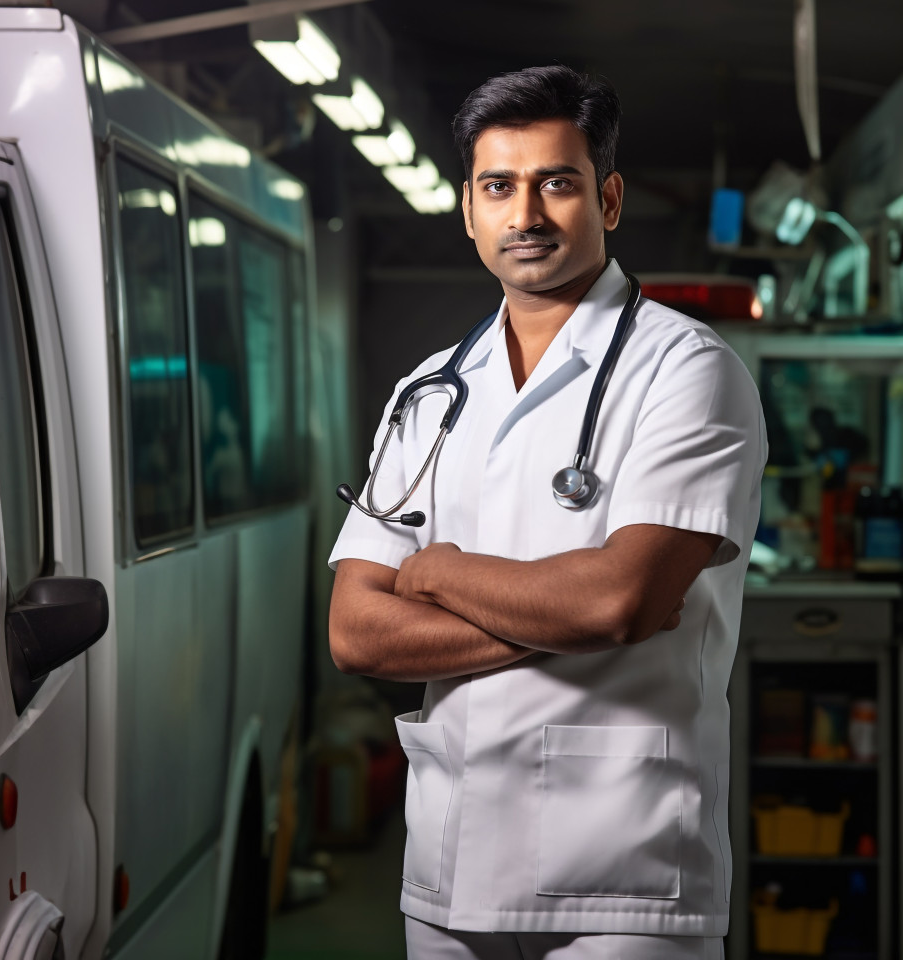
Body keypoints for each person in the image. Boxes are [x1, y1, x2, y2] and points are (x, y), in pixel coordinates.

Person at [328, 64, 766, 960]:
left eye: (555, 183)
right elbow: (357, 633)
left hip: (626, 872)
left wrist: (439, 573)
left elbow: (618, 602)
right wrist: (569, 614)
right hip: (448, 865)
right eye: (499, 187)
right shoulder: (430, 393)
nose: (524, 214)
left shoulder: (687, 371)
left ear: (606, 200)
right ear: (469, 208)